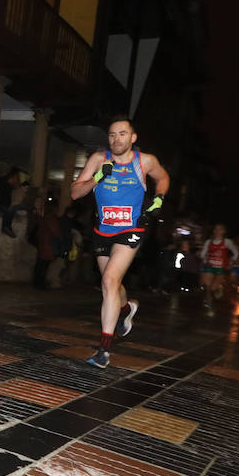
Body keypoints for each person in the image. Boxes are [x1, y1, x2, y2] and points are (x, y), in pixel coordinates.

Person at [69, 117, 169, 367]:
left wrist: (159, 198)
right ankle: (126, 309)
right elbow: (75, 192)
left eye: (123, 134)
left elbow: (163, 178)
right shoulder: (98, 159)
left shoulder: (145, 161)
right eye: (113, 135)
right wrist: (97, 178)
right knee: (112, 285)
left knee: (108, 281)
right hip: (103, 230)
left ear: (133, 137)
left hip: (131, 229)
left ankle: (104, 351)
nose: (117, 139)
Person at [199, 224, 238, 314]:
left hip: (221, 269)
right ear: (213, 231)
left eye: (220, 229)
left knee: (213, 289)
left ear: (223, 232)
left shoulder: (227, 242)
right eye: (216, 229)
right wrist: (204, 259)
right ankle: (209, 306)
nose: (217, 231)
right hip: (209, 266)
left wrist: (231, 262)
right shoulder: (209, 242)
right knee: (208, 287)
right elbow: (203, 254)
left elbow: (235, 253)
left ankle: (216, 292)